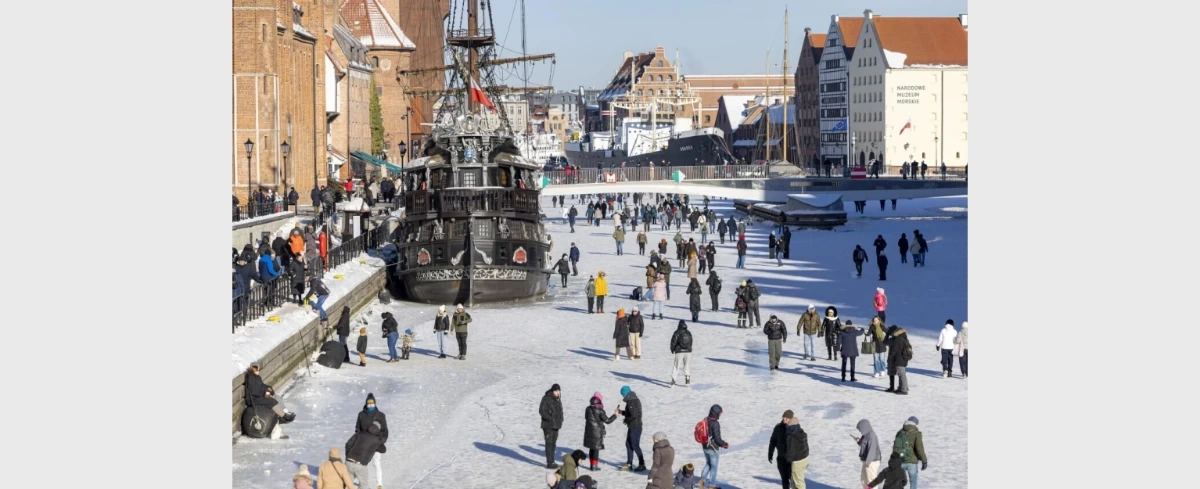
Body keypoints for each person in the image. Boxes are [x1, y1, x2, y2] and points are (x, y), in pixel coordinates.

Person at [583, 392, 618, 471]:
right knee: (596, 449)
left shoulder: (588, 409)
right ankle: (594, 466)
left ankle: (592, 465)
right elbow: (608, 421)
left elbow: (586, 418)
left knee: (591, 448)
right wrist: (615, 415)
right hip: (597, 432)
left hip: (589, 431)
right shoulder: (600, 410)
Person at [344, 421, 384, 489]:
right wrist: (379, 438)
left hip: (348, 462)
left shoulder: (359, 433)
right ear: (378, 430)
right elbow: (383, 449)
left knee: (348, 484)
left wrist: (349, 456)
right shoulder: (376, 440)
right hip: (360, 465)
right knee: (364, 485)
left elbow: (348, 444)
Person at [616, 385, 646, 471]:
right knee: (628, 444)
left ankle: (642, 464)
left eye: (623, 394)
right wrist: (622, 412)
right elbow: (631, 413)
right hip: (633, 426)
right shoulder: (632, 400)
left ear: (625, 394)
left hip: (635, 427)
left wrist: (626, 420)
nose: (622, 396)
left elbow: (634, 415)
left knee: (634, 445)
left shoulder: (632, 401)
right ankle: (629, 463)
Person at [700, 405, 729, 489]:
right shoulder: (715, 423)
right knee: (714, 467)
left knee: (708, 464)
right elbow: (717, 438)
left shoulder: (705, 420)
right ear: (716, 413)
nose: (720, 415)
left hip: (705, 446)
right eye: (720, 413)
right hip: (713, 448)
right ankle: (712, 485)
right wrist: (724, 444)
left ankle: (701, 481)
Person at [894, 417, 927, 488]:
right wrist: (924, 460)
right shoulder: (916, 433)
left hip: (900, 461)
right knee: (913, 482)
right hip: (912, 462)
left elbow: (896, 446)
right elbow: (919, 448)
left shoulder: (899, 432)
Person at [540, 384, 565, 469]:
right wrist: (551, 419)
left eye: (558, 391)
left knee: (553, 444)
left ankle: (552, 461)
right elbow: (542, 411)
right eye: (556, 391)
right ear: (552, 391)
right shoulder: (546, 398)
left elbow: (560, 411)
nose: (557, 392)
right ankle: (550, 463)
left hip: (556, 425)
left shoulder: (558, 399)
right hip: (548, 425)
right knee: (549, 443)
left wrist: (561, 419)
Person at [768, 410, 794, 489]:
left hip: (791, 459)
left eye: (787, 418)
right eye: (784, 417)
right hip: (781, 458)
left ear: (790, 419)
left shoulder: (794, 429)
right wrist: (770, 453)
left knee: (793, 479)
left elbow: (799, 445)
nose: (784, 419)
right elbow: (773, 441)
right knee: (784, 479)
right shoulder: (778, 427)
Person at [783, 416, 809, 489]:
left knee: (798, 482)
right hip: (804, 458)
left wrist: (787, 460)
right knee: (796, 480)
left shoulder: (791, 436)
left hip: (797, 461)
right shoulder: (802, 432)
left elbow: (790, 451)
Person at [885, 326, 913, 395]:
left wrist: (890, 358)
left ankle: (904, 389)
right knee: (901, 374)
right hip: (904, 359)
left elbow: (894, 350)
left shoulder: (898, 339)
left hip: (899, 359)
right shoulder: (904, 338)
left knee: (902, 374)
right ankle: (901, 388)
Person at [856, 419, 883, 488]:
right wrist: (859, 442)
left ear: (865, 427)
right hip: (867, 461)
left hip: (871, 462)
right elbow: (865, 445)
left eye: (860, 429)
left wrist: (868, 462)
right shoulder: (865, 435)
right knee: (863, 479)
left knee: (871, 482)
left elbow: (872, 450)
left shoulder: (872, 436)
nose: (860, 431)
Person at [669, 320, 693, 387]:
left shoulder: (677, 332)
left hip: (679, 351)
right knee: (686, 367)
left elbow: (673, 341)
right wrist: (689, 349)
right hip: (688, 351)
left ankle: (673, 380)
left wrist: (672, 349)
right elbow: (691, 341)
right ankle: (687, 382)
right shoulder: (688, 332)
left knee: (676, 366)